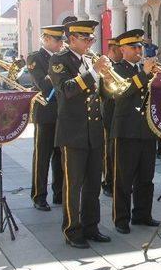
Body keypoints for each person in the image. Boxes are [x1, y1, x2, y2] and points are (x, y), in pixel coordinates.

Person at [48, 20, 111, 248]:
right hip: (73, 133)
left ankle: (91, 226)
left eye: (92, 39)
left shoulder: (88, 60)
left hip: (93, 132)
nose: (90, 43)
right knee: (73, 186)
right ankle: (72, 230)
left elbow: (101, 94)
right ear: (72, 39)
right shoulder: (58, 61)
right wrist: (95, 71)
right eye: (86, 39)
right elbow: (67, 90)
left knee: (93, 184)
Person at [110, 29, 160, 234]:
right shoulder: (116, 69)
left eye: (140, 46)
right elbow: (122, 93)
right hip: (126, 130)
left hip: (147, 129)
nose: (139, 50)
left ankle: (143, 214)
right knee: (124, 178)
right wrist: (145, 74)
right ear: (123, 50)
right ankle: (121, 219)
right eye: (134, 47)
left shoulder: (144, 70)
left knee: (146, 177)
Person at [27, 25, 65, 211]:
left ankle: (59, 193)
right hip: (45, 113)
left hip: (62, 113)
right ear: (46, 39)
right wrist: (56, 67)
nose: (61, 44)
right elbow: (43, 84)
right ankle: (38, 195)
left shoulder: (61, 58)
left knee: (60, 157)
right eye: (57, 40)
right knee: (42, 157)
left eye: (62, 40)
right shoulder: (35, 58)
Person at [100, 38, 122, 197]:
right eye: (120, 50)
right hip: (109, 113)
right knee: (109, 150)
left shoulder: (121, 67)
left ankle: (118, 180)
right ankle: (108, 181)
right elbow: (105, 92)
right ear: (113, 50)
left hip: (122, 114)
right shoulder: (105, 67)